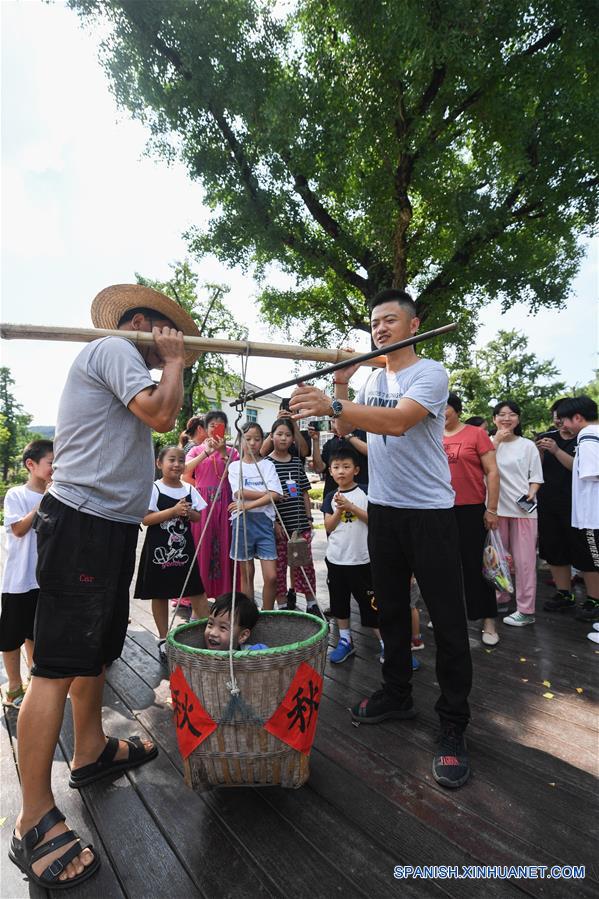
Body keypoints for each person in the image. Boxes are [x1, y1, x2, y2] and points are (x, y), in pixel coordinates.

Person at [9, 284, 197, 889]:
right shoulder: (115, 346)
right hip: (83, 524)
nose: (172, 347)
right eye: (166, 333)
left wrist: (170, 367)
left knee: (96, 651)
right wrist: (171, 362)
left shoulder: (131, 369)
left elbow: (159, 420)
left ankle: (88, 750)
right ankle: (32, 816)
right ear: (145, 323)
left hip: (111, 527)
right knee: (57, 666)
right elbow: (165, 416)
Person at [290, 287, 473, 790]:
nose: (380, 328)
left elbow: (398, 422)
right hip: (386, 513)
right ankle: (397, 694)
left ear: (413, 326)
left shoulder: (428, 373)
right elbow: (353, 425)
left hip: (431, 514)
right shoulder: (371, 379)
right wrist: (342, 388)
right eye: (374, 322)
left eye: (391, 320)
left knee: (449, 620)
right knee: (388, 609)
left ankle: (454, 724)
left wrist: (337, 401)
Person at [134, 445, 208, 663]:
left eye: (181, 460)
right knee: (160, 593)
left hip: (184, 550)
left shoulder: (188, 488)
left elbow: (197, 518)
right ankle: (164, 639)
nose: (177, 464)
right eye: (171, 460)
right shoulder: (154, 489)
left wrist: (188, 512)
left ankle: (208, 635)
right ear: (159, 464)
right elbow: (146, 519)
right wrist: (173, 512)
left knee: (196, 590)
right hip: (159, 551)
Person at [443, 392, 501, 645]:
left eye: (444, 407)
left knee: (476, 566)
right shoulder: (429, 434)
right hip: (438, 510)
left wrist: (492, 509)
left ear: (456, 409)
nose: (439, 412)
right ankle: (448, 615)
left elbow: (492, 471)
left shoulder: (476, 434)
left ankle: (488, 619)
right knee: (443, 567)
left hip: (470, 509)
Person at [0, 440, 53, 709]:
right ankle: (12, 685)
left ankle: (35, 681)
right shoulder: (16, 494)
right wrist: (44, 499)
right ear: (30, 465)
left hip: (44, 578)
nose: (54, 469)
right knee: (11, 636)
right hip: (18, 580)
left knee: (36, 633)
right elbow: (19, 529)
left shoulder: (57, 496)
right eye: (50, 463)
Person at [322, 448, 383, 664]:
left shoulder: (367, 492)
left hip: (362, 560)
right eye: (336, 467)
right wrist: (339, 510)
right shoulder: (330, 496)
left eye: (346, 467)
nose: (341, 471)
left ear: (356, 470)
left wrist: (350, 506)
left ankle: (388, 646)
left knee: (371, 604)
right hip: (337, 559)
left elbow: (373, 521)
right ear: (330, 471)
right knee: (339, 603)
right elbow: (328, 526)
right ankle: (345, 640)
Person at [491, 401, 544, 627]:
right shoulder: (488, 442)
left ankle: (525, 609)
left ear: (518, 419)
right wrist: (496, 442)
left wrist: (532, 492)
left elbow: (536, 477)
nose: (506, 418)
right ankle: (500, 597)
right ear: (494, 419)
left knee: (524, 562)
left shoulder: (527, 445)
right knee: (497, 560)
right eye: (502, 414)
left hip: (523, 510)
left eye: (512, 414)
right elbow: (477, 467)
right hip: (495, 509)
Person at [553, 395, 599, 626]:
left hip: (592, 515)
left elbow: (591, 473)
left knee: (594, 561)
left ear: (578, 417)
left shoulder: (588, 437)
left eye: (565, 421)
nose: (563, 426)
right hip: (591, 515)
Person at [183, 410, 239, 598]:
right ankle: (197, 597)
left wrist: (222, 453)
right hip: (202, 504)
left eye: (220, 425)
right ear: (205, 429)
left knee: (224, 546)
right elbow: (185, 471)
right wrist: (206, 453)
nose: (215, 428)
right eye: (212, 425)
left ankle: (224, 594)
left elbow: (237, 475)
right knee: (201, 547)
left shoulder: (233, 451)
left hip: (225, 502)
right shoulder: (195, 450)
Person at [227, 422, 283, 610]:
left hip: (264, 522)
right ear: (240, 440)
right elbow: (239, 492)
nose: (252, 443)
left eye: (257, 439)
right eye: (248, 438)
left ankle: (267, 614)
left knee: (271, 576)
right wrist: (267, 493)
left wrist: (249, 503)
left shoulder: (268, 465)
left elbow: (276, 495)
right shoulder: (235, 466)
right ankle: (249, 614)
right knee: (246, 574)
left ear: (263, 441)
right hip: (242, 523)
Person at [267, 418, 320, 615]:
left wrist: (309, 519)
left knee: (305, 565)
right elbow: (266, 498)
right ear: (271, 436)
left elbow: (305, 492)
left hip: (300, 524)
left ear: (293, 439)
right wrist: (275, 523)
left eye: (288, 435)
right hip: (280, 527)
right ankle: (282, 605)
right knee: (280, 567)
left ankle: (312, 603)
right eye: (279, 434)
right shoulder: (266, 464)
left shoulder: (297, 462)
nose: (283, 438)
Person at [536, 403, 578, 613]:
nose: (560, 422)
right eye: (556, 417)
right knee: (554, 550)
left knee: (583, 552)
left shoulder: (585, 438)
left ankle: (593, 598)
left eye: (564, 417)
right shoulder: (546, 436)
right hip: (548, 502)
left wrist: (556, 450)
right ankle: (564, 592)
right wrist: (539, 453)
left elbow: (580, 468)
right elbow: (535, 469)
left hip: (578, 505)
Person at [311, 417, 369, 497]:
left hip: (360, 493)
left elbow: (372, 453)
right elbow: (319, 468)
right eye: (332, 418)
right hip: (334, 495)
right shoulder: (329, 443)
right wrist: (316, 441)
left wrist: (346, 434)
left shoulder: (363, 433)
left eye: (336, 418)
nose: (332, 421)